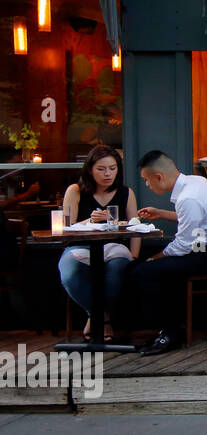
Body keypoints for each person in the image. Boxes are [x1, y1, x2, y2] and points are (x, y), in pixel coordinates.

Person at [129, 151, 207, 355]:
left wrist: (154, 258)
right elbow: (194, 218)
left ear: (158, 177)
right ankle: (171, 329)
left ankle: (169, 334)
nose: (147, 185)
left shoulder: (188, 197)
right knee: (153, 268)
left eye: (146, 180)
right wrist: (161, 214)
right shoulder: (196, 183)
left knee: (144, 271)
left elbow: (184, 245)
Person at [57, 146, 140, 342]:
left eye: (112, 168)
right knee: (69, 273)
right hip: (80, 247)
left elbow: (135, 226)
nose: (108, 174)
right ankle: (101, 317)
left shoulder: (126, 193)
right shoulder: (75, 191)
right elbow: (65, 228)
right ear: (90, 170)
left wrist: (134, 255)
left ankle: (96, 318)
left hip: (114, 246)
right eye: (101, 169)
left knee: (119, 267)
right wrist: (90, 221)